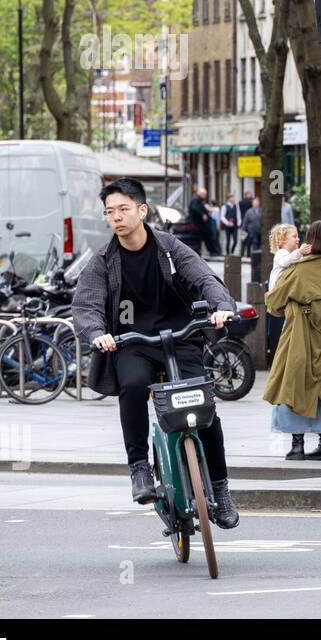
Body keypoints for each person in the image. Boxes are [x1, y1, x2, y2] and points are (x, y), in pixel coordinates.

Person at [71, 178, 240, 527]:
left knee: (203, 409)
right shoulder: (103, 260)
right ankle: (139, 468)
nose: (116, 217)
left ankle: (221, 490)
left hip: (181, 339)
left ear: (142, 210)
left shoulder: (170, 248)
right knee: (132, 387)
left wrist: (221, 307)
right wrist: (98, 333)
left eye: (123, 209)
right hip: (132, 343)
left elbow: (205, 279)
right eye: (109, 212)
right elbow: (86, 305)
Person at [263, 220, 321, 461]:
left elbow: (274, 302)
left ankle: (297, 444)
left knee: (292, 386)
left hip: (299, 335)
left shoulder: (298, 269)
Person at [265, 223, 309, 363]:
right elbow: (285, 262)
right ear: (283, 240)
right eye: (294, 236)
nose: (298, 239)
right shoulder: (281, 254)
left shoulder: (292, 255)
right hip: (278, 294)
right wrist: (300, 252)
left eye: (298, 236)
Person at [188, 187, 220, 257]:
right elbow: (194, 208)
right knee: (205, 238)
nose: (205, 196)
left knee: (207, 238)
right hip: (199, 225)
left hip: (202, 225)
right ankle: (212, 252)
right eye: (204, 194)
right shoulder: (196, 200)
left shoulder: (198, 201)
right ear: (201, 194)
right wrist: (202, 214)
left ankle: (213, 251)